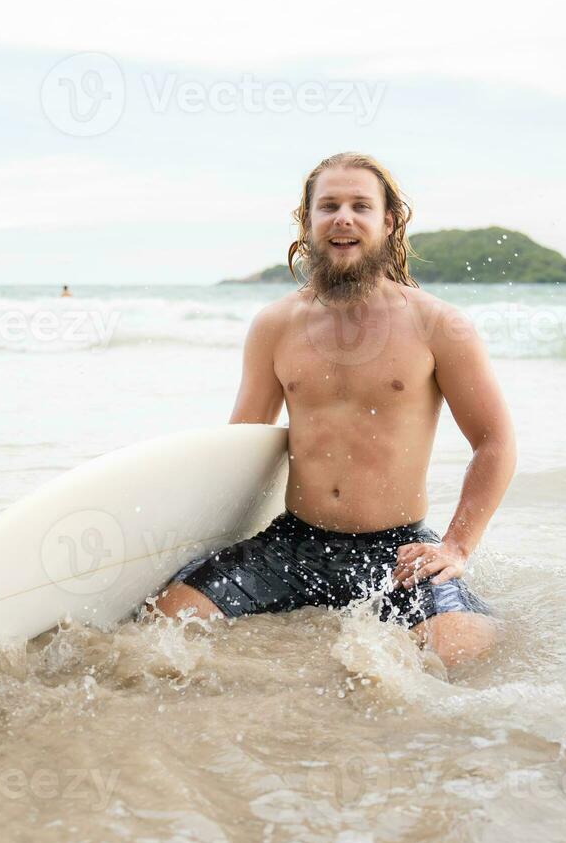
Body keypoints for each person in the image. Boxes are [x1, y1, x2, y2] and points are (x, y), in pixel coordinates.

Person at [149, 152, 516, 668]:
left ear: (387, 224)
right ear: (309, 222)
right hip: (291, 545)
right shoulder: (275, 325)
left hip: (397, 551)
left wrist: (456, 547)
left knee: (462, 653)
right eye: (329, 206)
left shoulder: (438, 325)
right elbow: (241, 445)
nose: (343, 217)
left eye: (360, 206)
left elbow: (494, 442)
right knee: (162, 624)